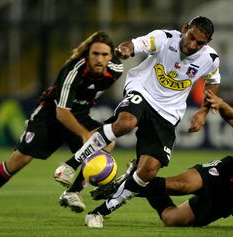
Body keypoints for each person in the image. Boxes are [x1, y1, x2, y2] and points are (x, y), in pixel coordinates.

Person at [85, 90, 233, 230]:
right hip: (225, 173)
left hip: (227, 204)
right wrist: (220, 103)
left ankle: (135, 176)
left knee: (170, 219)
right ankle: (127, 183)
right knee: (180, 185)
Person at [62, 16, 220, 219]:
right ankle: (70, 165)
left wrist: (203, 111)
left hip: (168, 113)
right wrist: (127, 49)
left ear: (207, 44)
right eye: (191, 37)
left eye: (200, 43)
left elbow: (213, 81)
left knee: (148, 171)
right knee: (126, 123)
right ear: (185, 28)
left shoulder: (210, 58)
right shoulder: (164, 38)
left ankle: (99, 213)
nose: (193, 45)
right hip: (142, 90)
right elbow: (136, 44)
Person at [0, 32, 123, 204]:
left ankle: (73, 192)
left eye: (104, 54)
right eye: (95, 54)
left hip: (80, 115)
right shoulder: (73, 71)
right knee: (18, 161)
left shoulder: (116, 69)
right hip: (50, 116)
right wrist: (84, 135)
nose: (99, 59)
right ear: (87, 54)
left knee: (107, 142)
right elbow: (62, 112)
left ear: (111, 56)